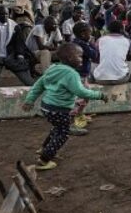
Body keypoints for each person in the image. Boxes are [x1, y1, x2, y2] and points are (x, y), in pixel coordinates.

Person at [22, 43, 107, 171]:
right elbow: (81, 92)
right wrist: (99, 95)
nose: (82, 59)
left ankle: (44, 149)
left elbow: (39, 85)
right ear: (70, 58)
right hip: (59, 109)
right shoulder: (71, 74)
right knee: (63, 133)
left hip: (46, 107)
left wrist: (30, 100)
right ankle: (44, 160)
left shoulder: (52, 68)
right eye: (79, 56)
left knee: (57, 128)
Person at [0, 5, 35, 86]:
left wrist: (20, 55)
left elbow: (19, 43)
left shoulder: (14, 26)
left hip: (10, 55)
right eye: (2, 14)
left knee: (25, 77)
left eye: (6, 14)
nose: (5, 16)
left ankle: (33, 87)